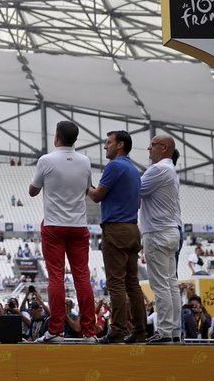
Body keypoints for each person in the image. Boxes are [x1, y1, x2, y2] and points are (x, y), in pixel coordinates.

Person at [28, 120, 97, 343]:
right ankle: (89, 331)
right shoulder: (85, 161)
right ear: (75, 139)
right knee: (82, 277)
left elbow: (32, 191)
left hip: (54, 225)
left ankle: (55, 330)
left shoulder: (46, 160)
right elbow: (87, 188)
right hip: (78, 225)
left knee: (56, 277)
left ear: (57, 136)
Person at [87, 130, 145, 344]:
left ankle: (117, 330)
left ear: (120, 145)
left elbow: (97, 196)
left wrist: (86, 184)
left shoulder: (115, 166)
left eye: (108, 143)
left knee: (116, 283)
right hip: (132, 228)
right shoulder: (133, 169)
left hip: (116, 228)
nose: (105, 146)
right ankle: (139, 330)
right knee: (133, 283)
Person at [139, 134, 182, 344]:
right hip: (170, 231)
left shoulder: (157, 170)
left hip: (157, 232)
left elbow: (134, 191)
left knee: (161, 286)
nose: (149, 149)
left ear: (164, 148)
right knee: (171, 284)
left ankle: (164, 332)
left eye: (153, 146)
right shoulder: (170, 170)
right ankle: (173, 331)